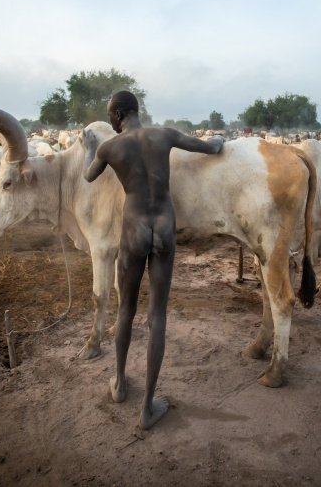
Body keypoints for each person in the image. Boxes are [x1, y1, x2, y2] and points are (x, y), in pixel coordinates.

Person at [83, 91, 224, 429]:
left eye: (111, 117)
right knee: (157, 314)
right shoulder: (164, 135)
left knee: (126, 309)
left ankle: (119, 383)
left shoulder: (110, 147)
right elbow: (209, 147)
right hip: (164, 223)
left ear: (118, 114)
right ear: (137, 110)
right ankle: (147, 405)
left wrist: (90, 147)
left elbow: (88, 176)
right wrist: (218, 139)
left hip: (134, 227)